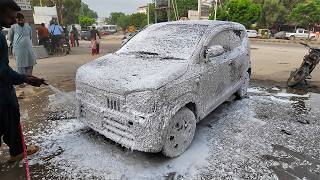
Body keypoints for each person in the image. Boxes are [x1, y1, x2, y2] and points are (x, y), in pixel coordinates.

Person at [0, 0, 47, 162]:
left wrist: (25, 77)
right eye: (10, 17)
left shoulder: (21, 28)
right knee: (11, 115)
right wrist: (25, 78)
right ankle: (18, 151)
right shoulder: (1, 36)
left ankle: (17, 149)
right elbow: (2, 71)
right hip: (2, 92)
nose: (14, 20)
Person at [9, 13, 36, 77]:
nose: (21, 21)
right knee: (21, 65)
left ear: (24, 19)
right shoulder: (13, 27)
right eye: (19, 20)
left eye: (22, 19)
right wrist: (17, 43)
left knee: (30, 63)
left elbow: (30, 37)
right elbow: (10, 38)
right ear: (16, 20)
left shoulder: (28, 27)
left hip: (29, 49)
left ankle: (29, 78)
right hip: (18, 49)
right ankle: (22, 80)